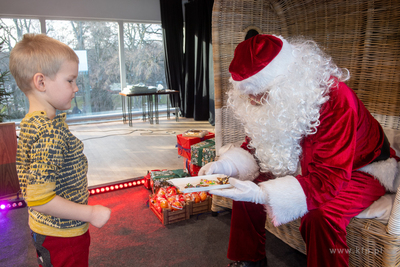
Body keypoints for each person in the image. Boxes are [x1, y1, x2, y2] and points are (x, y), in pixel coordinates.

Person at [199, 34, 400, 267]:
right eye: (246, 91)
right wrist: (224, 165)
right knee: (244, 186)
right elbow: (256, 147)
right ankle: (249, 260)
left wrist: (263, 194)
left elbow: (329, 178)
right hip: (305, 164)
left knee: (320, 218)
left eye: (259, 89)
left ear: (287, 79)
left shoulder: (337, 98)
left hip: (363, 168)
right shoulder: (268, 98)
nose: (251, 99)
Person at [10, 33, 112, 267]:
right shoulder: (48, 132)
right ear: (41, 82)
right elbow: (40, 198)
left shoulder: (30, 122)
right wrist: (90, 213)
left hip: (45, 228)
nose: (76, 88)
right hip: (62, 234)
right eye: (70, 80)